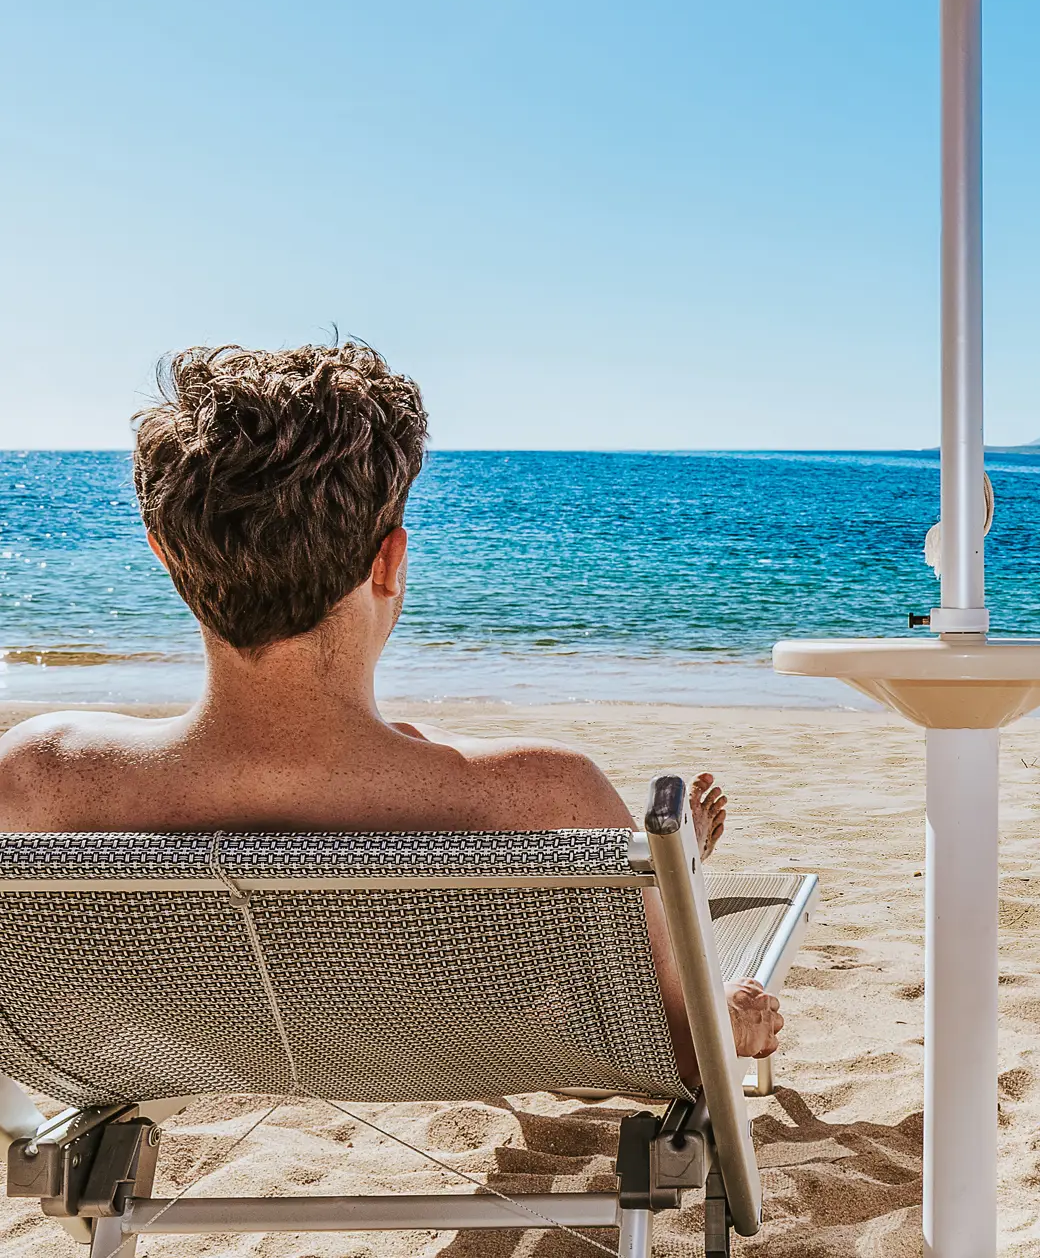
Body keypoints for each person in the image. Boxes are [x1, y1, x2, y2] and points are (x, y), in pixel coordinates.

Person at [0, 342, 780, 1083]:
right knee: (627, 881)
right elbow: (677, 1054)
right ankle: (667, 876)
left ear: (164, 551)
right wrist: (734, 1023)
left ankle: (658, 877)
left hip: (195, 1045)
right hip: (467, 1034)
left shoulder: (42, 775)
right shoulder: (547, 797)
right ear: (390, 560)